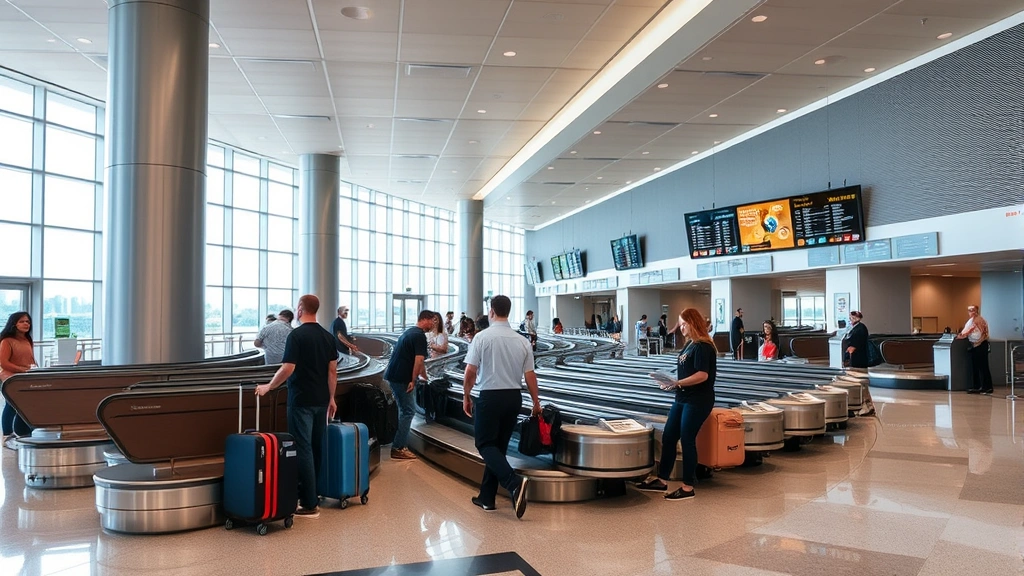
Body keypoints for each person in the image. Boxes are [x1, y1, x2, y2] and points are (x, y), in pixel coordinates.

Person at [255, 294, 337, 518]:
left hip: (301, 400)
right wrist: (332, 398)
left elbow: (288, 368)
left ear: (300, 309)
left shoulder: (297, 336)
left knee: (303, 448)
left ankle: (309, 504)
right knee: (317, 447)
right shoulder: (327, 337)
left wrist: (269, 386)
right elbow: (332, 371)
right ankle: (315, 493)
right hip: (321, 400)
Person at [461, 295, 541, 519]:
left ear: (492, 311)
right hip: (513, 398)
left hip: (490, 396)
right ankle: (487, 497)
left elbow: (470, 371)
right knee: (498, 448)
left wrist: (466, 394)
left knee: (485, 444)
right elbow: (530, 375)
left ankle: (514, 483)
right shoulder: (522, 340)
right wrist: (536, 402)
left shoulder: (482, 338)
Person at [636, 308, 717, 500]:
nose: (681, 328)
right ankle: (662, 479)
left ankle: (688, 486)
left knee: (687, 439)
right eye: (680, 324)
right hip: (682, 397)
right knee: (670, 437)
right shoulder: (689, 345)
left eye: (683, 324)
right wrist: (671, 384)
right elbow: (686, 372)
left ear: (693, 323)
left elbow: (702, 375)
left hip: (698, 399)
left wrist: (678, 383)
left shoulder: (703, 346)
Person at [383, 310, 433, 460]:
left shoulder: (410, 332)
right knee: (408, 411)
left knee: (403, 410)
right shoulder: (419, 336)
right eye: (433, 321)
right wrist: (413, 380)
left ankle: (400, 442)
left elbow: (419, 360)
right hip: (402, 378)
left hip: (394, 376)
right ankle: (398, 447)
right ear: (425, 319)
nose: (433, 324)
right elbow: (418, 360)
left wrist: (424, 376)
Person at [1, 312, 37, 448]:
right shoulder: (6, 341)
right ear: (14, 323)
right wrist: (22, 369)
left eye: (28, 321)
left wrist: (34, 369)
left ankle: (23, 432)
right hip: (11, 379)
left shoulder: (27, 340)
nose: (26, 324)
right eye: (22, 321)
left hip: (25, 378)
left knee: (25, 405)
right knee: (11, 405)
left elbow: (29, 359)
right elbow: (4, 363)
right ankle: (7, 435)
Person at [842, 311, 876, 416]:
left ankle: (868, 406)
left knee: (862, 384)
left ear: (857, 318)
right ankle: (865, 406)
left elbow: (854, 345)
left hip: (859, 361)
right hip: (855, 360)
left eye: (852, 317)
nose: (850, 319)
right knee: (860, 384)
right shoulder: (854, 328)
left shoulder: (860, 328)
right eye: (850, 318)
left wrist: (850, 349)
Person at [957, 305, 993, 394]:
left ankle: (986, 387)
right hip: (975, 345)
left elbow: (971, 332)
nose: (970, 312)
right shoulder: (972, 321)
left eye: (972, 310)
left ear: (976, 311)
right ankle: (977, 386)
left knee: (983, 367)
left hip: (980, 345)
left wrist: (961, 336)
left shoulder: (978, 320)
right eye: (969, 310)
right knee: (976, 367)